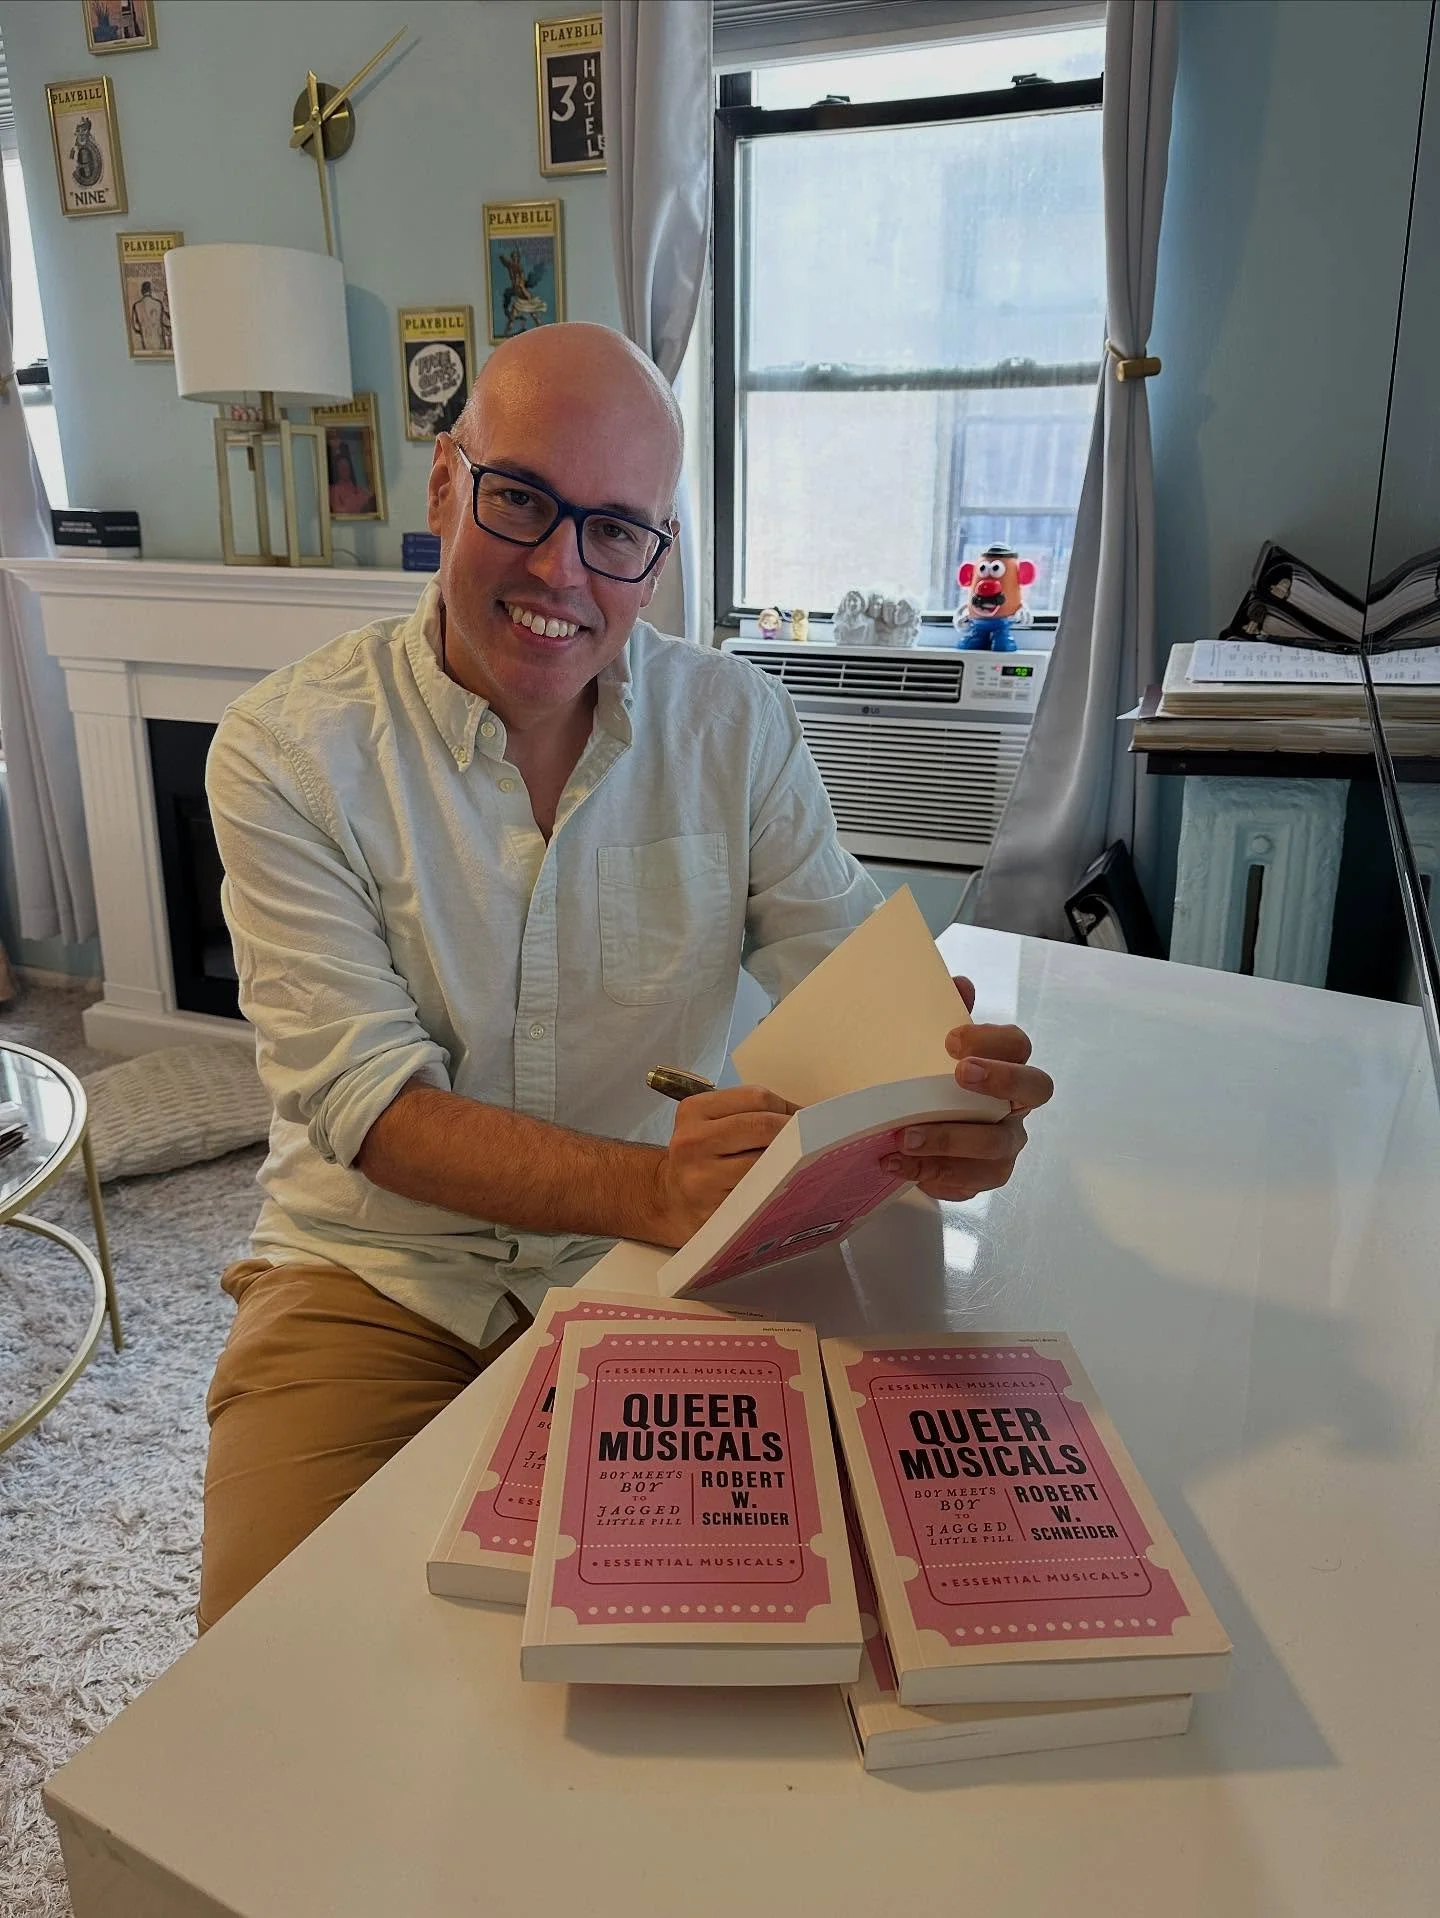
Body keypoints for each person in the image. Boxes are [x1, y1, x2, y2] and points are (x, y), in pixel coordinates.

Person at [198, 322, 1053, 1630]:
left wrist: (939, 1096)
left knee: (764, 1631)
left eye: (616, 530)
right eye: (521, 499)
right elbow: (373, 1111)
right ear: (445, 485)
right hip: (372, 1275)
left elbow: (844, 970)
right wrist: (657, 1188)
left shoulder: (736, 723)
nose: (563, 568)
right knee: (269, 1667)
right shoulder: (285, 752)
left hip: (665, 1264)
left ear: (659, 554)